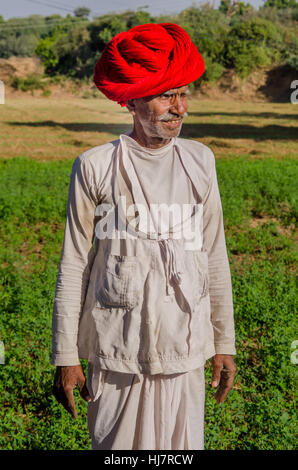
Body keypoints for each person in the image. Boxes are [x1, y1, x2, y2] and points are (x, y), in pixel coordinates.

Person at [52, 23, 237, 450]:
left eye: (183, 94)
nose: (179, 108)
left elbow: (214, 255)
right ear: (131, 101)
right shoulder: (95, 166)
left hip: (184, 348)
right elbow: (74, 261)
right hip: (116, 352)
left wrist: (223, 342)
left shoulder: (200, 161)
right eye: (165, 95)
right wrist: (65, 356)